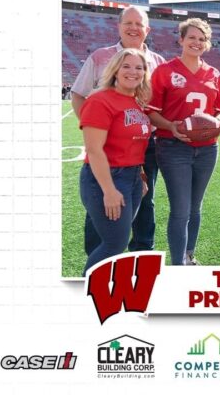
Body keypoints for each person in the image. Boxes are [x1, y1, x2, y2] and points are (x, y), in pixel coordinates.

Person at [71, 6, 165, 254]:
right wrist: (98, 128)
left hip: (146, 143)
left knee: (145, 200)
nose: (134, 28)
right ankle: (97, 254)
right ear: (119, 26)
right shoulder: (100, 56)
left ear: (148, 29)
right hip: (107, 146)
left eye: (139, 24)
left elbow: (162, 105)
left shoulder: (158, 62)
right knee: (101, 203)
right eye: (128, 23)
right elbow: (79, 94)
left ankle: (141, 255)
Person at [148, 18, 220, 266]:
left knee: (195, 207)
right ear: (181, 40)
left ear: (207, 44)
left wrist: (217, 122)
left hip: (207, 149)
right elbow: (151, 111)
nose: (196, 42)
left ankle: (188, 254)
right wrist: (171, 126)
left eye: (201, 39)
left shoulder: (214, 74)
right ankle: (177, 265)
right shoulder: (165, 71)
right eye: (192, 37)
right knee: (181, 209)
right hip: (173, 147)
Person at [79, 48, 151, 273]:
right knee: (114, 244)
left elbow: (133, 144)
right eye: (126, 66)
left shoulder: (136, 103)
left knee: (117, 241)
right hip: (107, 178)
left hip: (132, 179)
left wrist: (140, 176)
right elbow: (94, 149)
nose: (133, 72)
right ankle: (84, 293)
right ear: (115, 70)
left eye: (139, 67)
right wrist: (109, 190)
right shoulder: (100, 100)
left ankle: (107, 291)